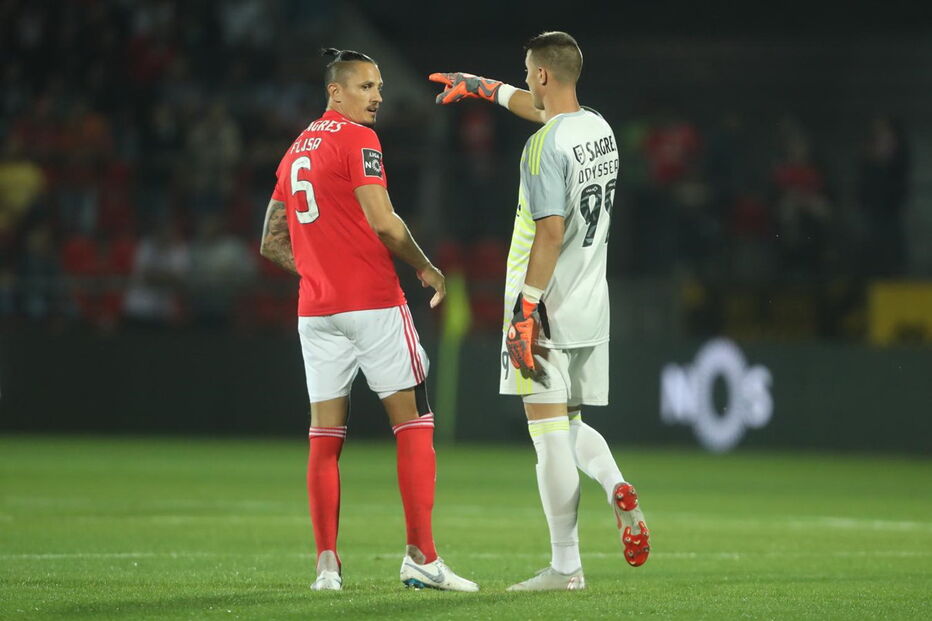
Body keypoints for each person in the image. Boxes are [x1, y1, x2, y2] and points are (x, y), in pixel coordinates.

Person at [430, 31, 650, 591]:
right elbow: (542, 110)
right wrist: (482, 88)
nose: (525, 79)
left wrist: (525, 310)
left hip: (545, 306)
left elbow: (550, 234)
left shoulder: (541, 147)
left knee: (548, 436)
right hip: (590, 304)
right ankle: (615, 485)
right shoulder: (598, 128)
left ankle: (566, 567)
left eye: (528, 71)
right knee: (570, 423)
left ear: (544, 75)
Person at [260, 48, 477, 593]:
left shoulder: (295, 149)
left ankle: (326, 567)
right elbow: (384, 222)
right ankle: (421, 557)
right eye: (366, 86)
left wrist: (319, 269)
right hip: (373, 303)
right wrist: (426, 267)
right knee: (414, 422)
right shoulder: (358, 139)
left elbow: (271, 240)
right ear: (335, 92)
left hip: (316, 311)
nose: (378, 96)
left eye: (379, 86)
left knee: (324, 436)